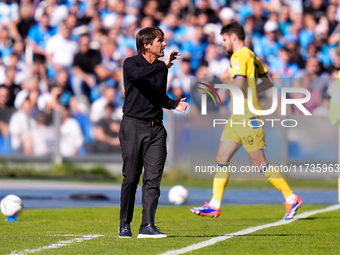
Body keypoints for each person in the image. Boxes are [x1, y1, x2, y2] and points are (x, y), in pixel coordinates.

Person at [190, 22, 302, 220]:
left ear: (233, 37)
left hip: (248, 117)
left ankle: (291, 197)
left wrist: (224, 81)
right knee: (221, 158)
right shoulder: (251, 55)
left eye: (224, 39)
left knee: (259, 163)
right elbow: (268, 81)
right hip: (237, 117)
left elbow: (239, 84)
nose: (223, 44)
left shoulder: (239, 56)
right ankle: (215, 204)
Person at [118, 27, 188, 238]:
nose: (164, 44)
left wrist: (173, 103)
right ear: (147, 45)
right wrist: (163, 67)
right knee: (131, 177)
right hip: (133, 127)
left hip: (156, 129)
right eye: (160, 41)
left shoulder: (160, 67)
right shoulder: (131, 63)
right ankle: (124, 224)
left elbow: (156, 96)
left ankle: (147, 225)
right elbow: (139, 77)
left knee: (153, 179)